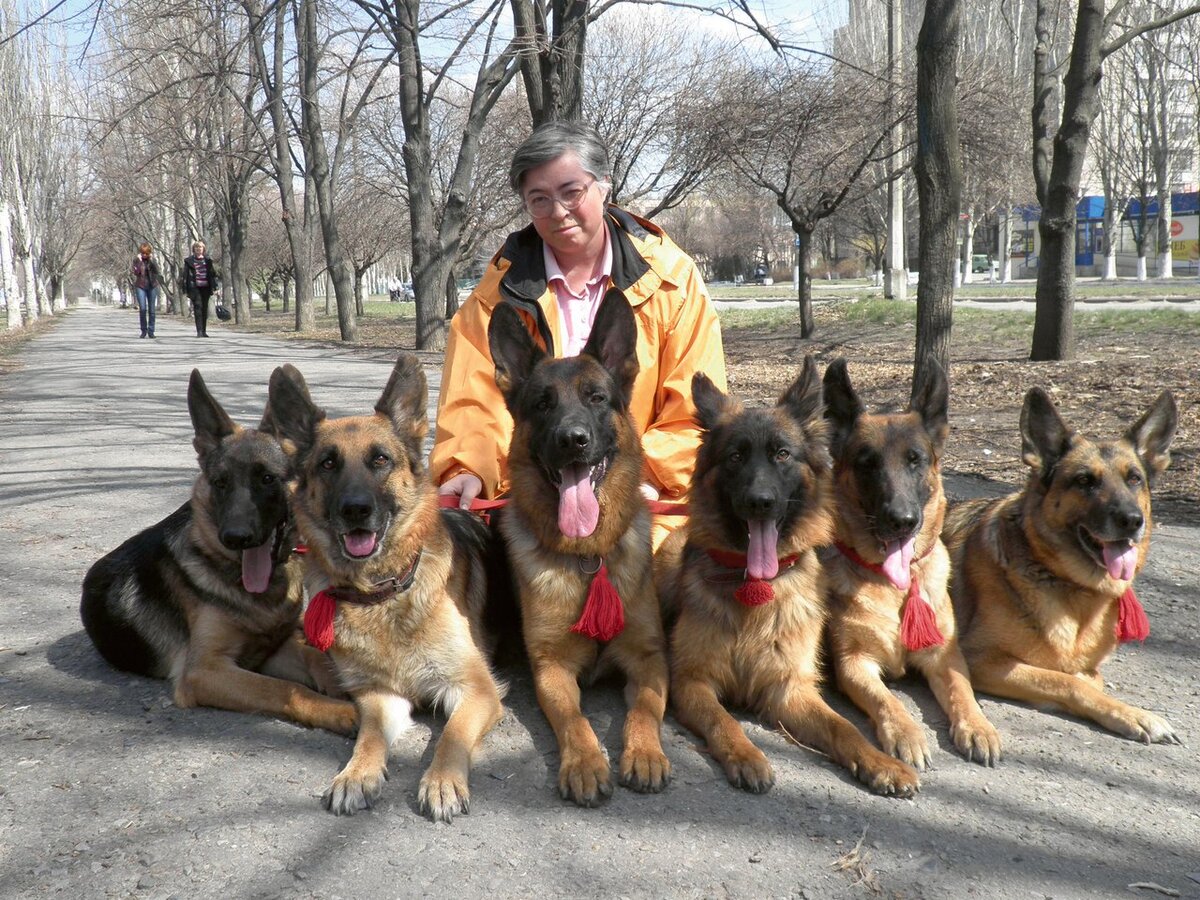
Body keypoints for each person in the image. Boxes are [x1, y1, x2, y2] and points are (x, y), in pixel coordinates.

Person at [430, 120, 727, 548]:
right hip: (535, 506)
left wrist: (647, 475)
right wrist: (467, 469)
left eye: (572, 192)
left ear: (604, 186)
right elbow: (473, 400)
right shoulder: (497, 292)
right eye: (539, 200)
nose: (558, 212)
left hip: (647, 500)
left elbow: (694, 408)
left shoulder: (672, 281)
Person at [182, 241, 222, 337]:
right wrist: (185, 288)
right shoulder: (189, 261)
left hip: (206, 287)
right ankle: (199, 331)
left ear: (203, 249)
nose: (198, 249)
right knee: (198, 307)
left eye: (200, 247)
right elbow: (185, 275)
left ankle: (204, 331)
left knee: (204, 308)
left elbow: (213, 275)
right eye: (196, 247)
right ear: (194, 249)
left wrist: (216, 287)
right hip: (194, 287)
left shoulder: (208, 260)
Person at [131, 243, 161, 338]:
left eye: (146, 253)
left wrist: (152, 260)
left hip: (152, 286)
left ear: (149, 253)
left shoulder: (153, 260)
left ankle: (151, 331)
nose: (144, 255)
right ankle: (143, 330)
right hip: (141, 286)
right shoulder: (136, 260)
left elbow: (157, 271)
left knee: (152, 310)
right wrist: (139, 261)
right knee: (143, 309)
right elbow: (136, 272)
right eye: (142, 253)